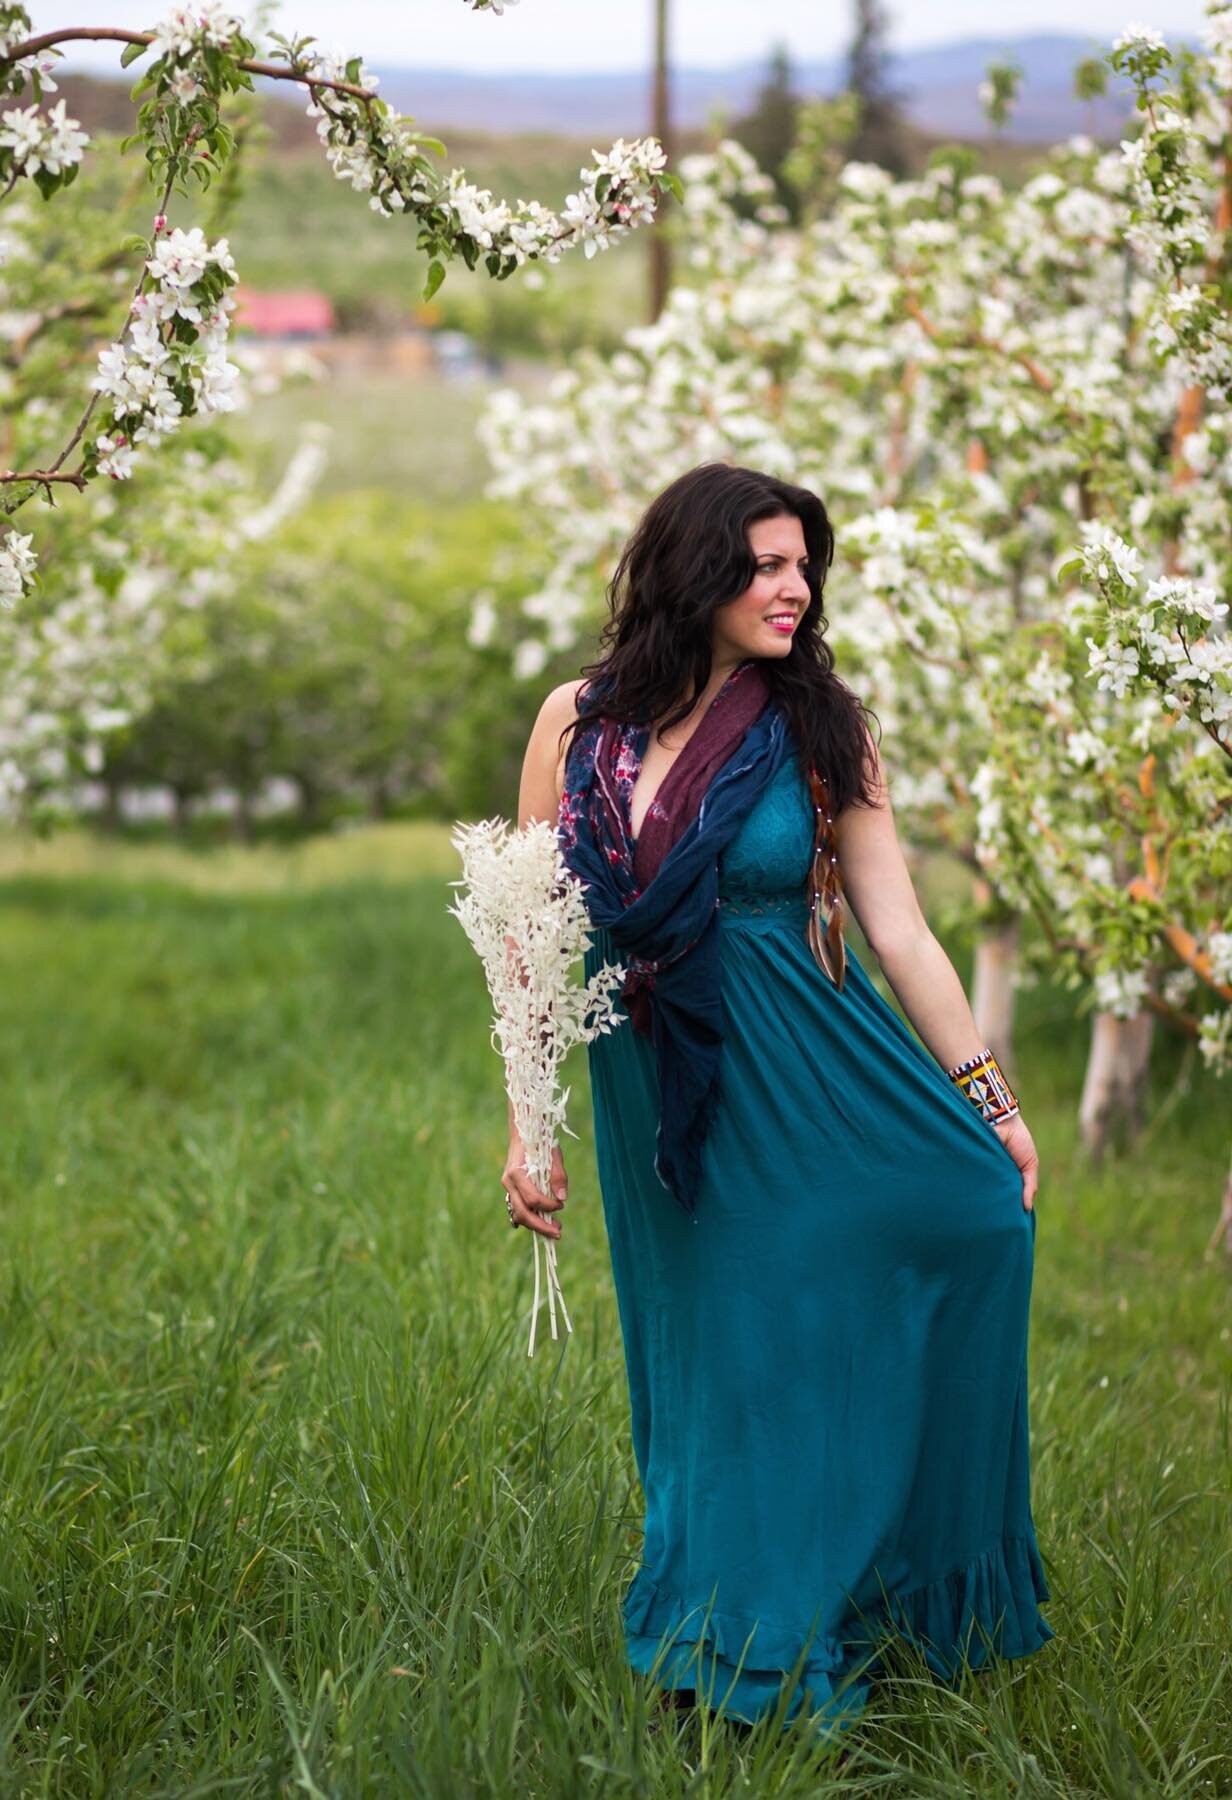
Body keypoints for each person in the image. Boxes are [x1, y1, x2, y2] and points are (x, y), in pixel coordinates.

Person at [506, 462, 1054, 1737]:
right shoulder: (575, 724)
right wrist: (530, 1128)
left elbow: (901, 929)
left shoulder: (819, 727)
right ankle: (724, 1635)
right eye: (762, 564)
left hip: (816, 1075)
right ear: (692, 573)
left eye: (804, 564)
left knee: (918, 1267)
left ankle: (786, 1646)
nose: (792, 586)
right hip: (664, 1097)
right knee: (715, 1369)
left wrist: (989, 1096)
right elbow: (529, 942)